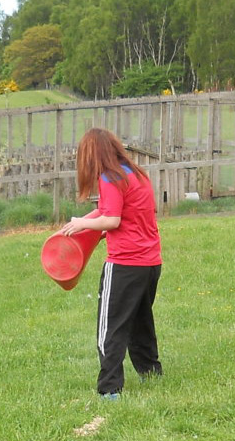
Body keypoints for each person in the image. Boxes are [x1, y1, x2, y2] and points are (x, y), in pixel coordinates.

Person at [57, 127, 163, 399]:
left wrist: (82, 223)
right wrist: (85, 224)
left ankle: (109, 389)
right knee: (141, 321)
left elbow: (112, 220)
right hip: (150, 263)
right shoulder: (136, 174)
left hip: (125, 264)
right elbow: (116, 213)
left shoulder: (109, 178)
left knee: (111, 327)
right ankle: (150, 372)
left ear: (92, 155)